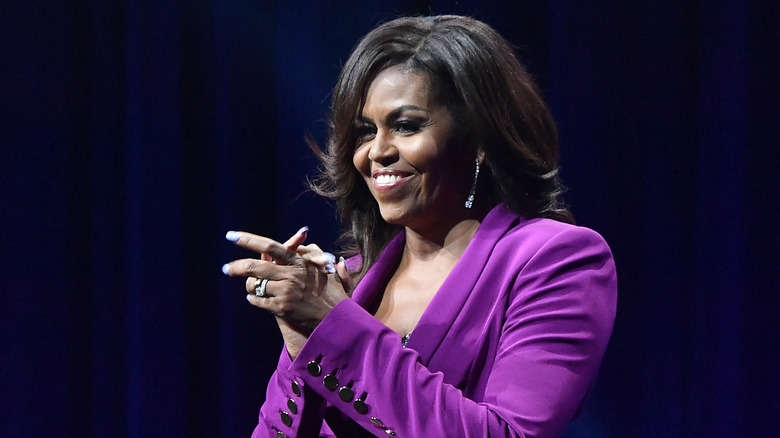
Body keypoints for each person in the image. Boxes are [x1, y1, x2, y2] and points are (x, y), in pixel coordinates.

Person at [222, 15, 617, 438]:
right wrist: (304, 340)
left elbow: (508, 434)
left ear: (479, 139)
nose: (377, 151)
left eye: (407, 126)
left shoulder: (555, 260)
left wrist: (333, 326)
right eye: (364, 131)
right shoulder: (350, 282)